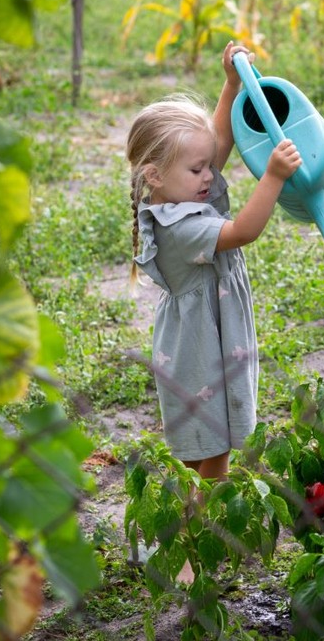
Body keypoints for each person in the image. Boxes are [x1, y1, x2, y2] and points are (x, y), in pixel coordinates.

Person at [126, 42, 301, 580]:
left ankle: (176, 537)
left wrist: (228, 85)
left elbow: (216, 143)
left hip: (209, 340)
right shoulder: (181, 225)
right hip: (203, 353)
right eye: (197, 169)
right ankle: (192, 549)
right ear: (154, 175)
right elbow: (244, 229)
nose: (210, 175)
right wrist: (271, 177)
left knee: (200, 450)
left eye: (208, 167)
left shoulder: (178, 191)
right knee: (214, 452)